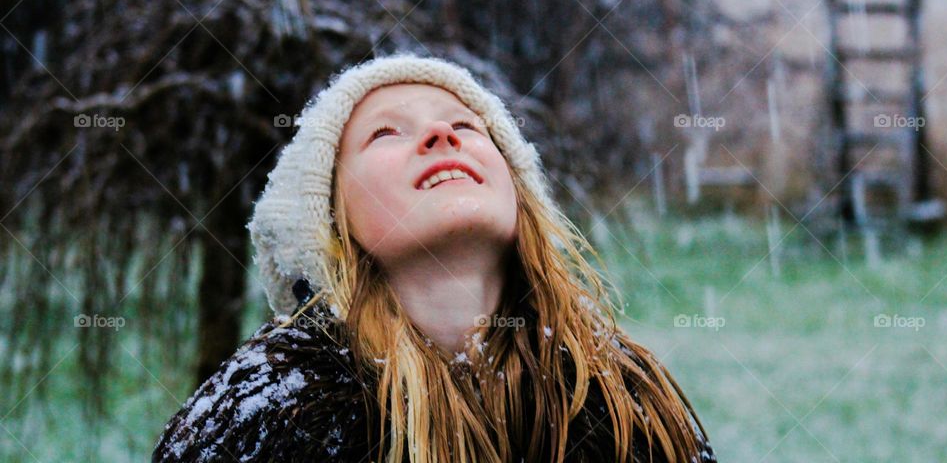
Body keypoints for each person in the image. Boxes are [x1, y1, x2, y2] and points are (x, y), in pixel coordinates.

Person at [153, 52, 718, 462]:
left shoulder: (626, 404)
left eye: (467, 126)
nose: (440, 136)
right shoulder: (271, 415)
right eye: (386, 134)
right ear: (325, 221)